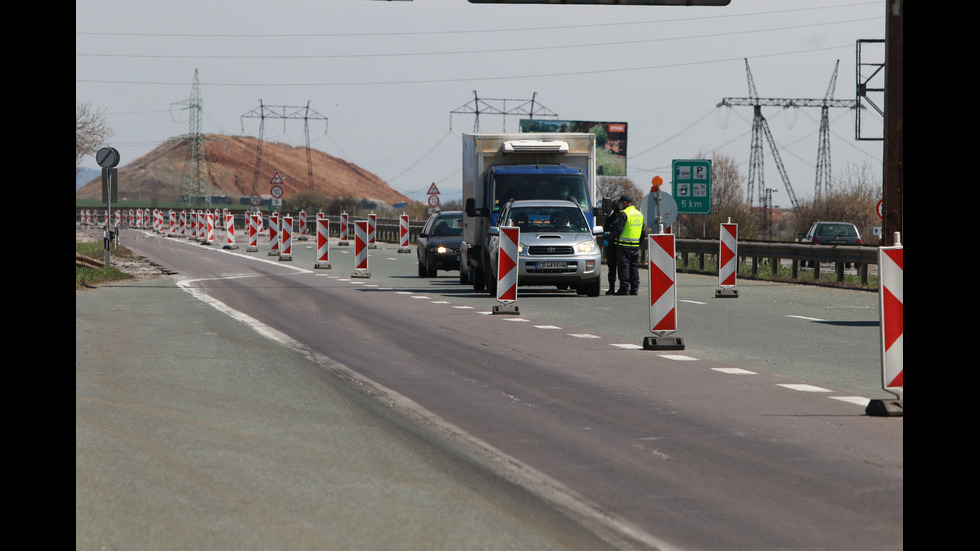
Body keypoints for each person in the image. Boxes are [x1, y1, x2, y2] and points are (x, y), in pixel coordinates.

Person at [609, 195, 643, 295]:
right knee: (634, 267)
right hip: (635, 245)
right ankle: (634, 288)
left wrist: (609, 239)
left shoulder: (624, 214)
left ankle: (624, 288)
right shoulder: (639, 214)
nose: (619, 206)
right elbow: (642, 232)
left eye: (620, 204)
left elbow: (618, 230)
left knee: (624, 267)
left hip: (624, 246)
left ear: (624, 203)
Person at [602, 202, 620, 295]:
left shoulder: (623, 217)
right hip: (611, 246)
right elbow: (605, 231)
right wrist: (607, 234)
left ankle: (623, 287)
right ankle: (611, 288)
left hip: (621, 246)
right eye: (615, 206)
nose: (617, 208)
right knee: (612, 269)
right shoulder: (609, 219)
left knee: (622, 268)